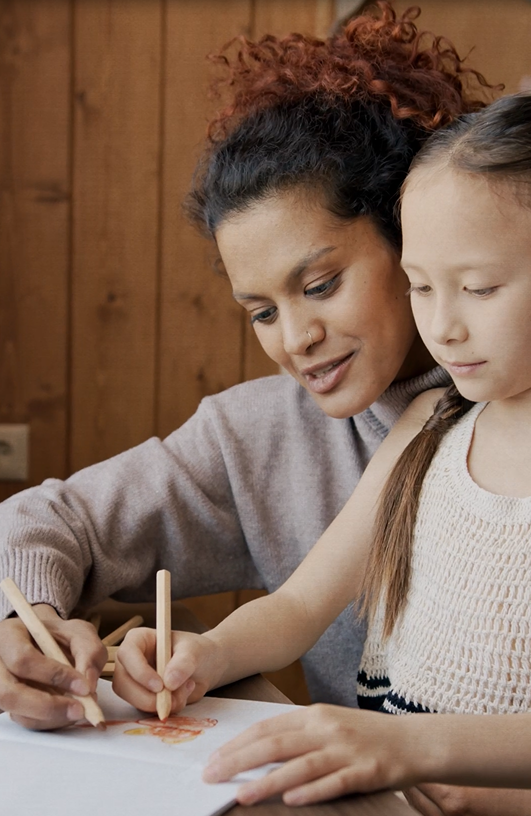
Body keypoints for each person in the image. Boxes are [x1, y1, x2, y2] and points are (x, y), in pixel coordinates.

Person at [0, 4, 496, 814]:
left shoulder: (494, 422)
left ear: (409, 236)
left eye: (320, 285)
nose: (295, 339)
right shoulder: (261, 435)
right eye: (261, 311)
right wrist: (25, 622)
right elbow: (47, 522)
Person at [115, 92, 531, 813]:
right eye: (420, 287)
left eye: (477, 288)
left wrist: (423, 755)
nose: (442, 326)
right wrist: (209, 653)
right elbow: (300, 605)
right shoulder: (428, 430)